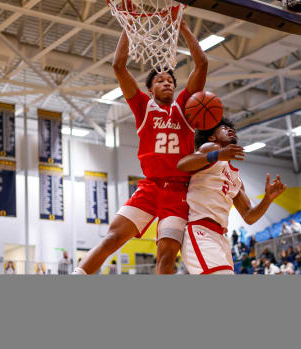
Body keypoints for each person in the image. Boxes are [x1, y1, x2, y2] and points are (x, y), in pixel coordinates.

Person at [74, 19, 208, 275]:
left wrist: (184, 29)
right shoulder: (144, 107)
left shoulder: (185, 107)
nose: (167, 82)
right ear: (149, 88)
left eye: (170, 79)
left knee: (167, 256)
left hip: (178, 193)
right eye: (160, 80)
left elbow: (202, 64)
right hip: (149, 187)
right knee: (112, 238)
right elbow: (118, 65)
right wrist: (129, 25)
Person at [177, 119, 286, 275]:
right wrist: (218, 154)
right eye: (224, 128)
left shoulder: (236, 179)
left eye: (231, 128)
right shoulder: (210, 149)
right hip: (200, 230)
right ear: (211, 137)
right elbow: (182, 165)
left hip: (221, 237)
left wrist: (268, 199)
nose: (230, 130)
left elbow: (249, 216)